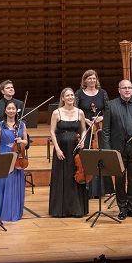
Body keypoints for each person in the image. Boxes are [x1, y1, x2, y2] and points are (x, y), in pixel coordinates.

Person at [100, 79, 132, 220]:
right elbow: (106, 131)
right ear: (119, 90)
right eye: (124, 88)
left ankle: (131, 207)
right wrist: (108, 152)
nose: (127, 90)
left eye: (129, 88)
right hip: (118, 150)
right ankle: (122, 208)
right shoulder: (110, 105)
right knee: (120, 180)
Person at [48, 87, 87, 217]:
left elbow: (84, 130)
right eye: (67, 95)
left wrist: (82, 140)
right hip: (62, 149)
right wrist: (57, 148)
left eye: (72, 95)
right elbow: (52, 131)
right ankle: (60, 209)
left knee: (75, 176)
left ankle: (76, 209)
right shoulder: (56, 112)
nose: (70, 97)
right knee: (62, 176)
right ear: (63, 98)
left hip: (76, 149)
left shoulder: (80, 112)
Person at [76, 69, 110, 199]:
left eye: (94, 78)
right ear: (84, 80)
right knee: (87, 155)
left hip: (99, 128)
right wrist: (85, 119)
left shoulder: (103, 93)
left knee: (100, 155)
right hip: (84, 127)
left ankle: (100, 189)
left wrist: (100, 118)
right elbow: (75, 110)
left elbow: (108, 110)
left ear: (97, 80)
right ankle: (87, 187)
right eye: (89, 78)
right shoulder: (79, 93)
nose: (91, 80)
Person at [0, 100, 27, 221]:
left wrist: (20, 141)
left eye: (13, 108)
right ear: (5, 110)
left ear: (16, 111)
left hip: (17, 157)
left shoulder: (22, 125)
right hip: (4, 155)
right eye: (9, 108)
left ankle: (14, 212)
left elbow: (26, 141)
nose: (11, 110)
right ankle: (2, 213)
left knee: (15, 184)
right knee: (3, 183)